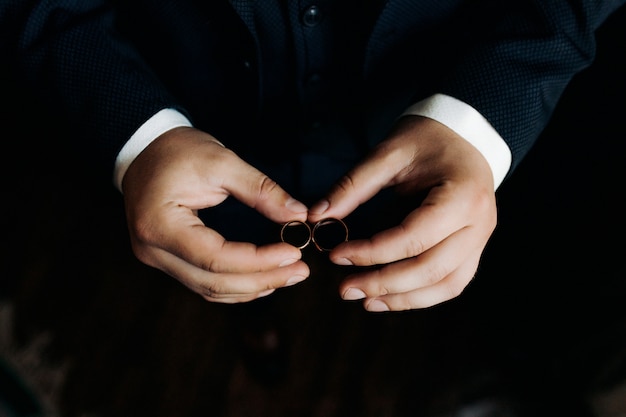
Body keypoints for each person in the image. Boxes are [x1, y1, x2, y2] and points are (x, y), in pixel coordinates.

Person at [2, 0, 624, 313]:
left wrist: (478, 124)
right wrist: (135, 135)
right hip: (172, 105)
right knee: (208, 267)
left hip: (422, 115)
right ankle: (251, 320)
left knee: (390, 253)